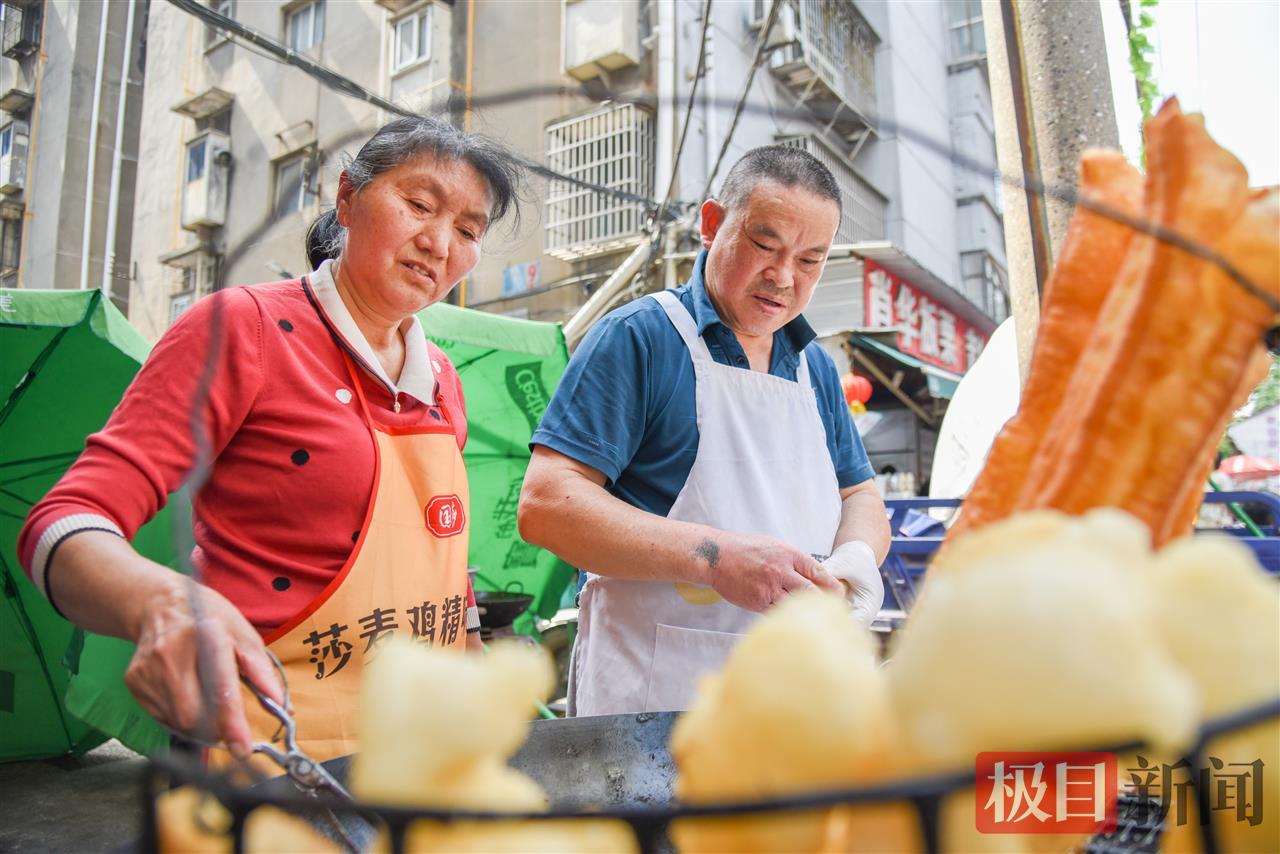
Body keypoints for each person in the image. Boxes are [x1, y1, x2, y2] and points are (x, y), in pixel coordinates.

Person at [18, 116, 521, 761]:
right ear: (348, 198)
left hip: (417, 746)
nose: (438, 242)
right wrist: (158, 603)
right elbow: (64, 520)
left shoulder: (444, 379)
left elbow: (443, 578)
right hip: (267, 745)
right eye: (418, 204)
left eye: (468, 230)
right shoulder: (243, 328)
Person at [519, 145, 890, 717]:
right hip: (660, 701)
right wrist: (716, 558)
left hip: (799, 696)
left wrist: (856, 560)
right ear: (712, 224)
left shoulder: (814, 366)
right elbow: (547, 504)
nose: (783, 277)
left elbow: (859, 493)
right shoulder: (641, 338)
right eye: (765, 245)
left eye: (810, 260)